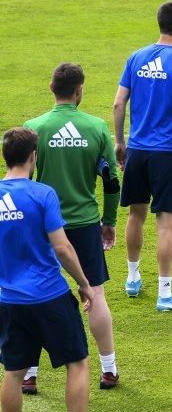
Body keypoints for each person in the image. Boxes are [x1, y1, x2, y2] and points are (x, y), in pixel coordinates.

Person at [23, 63, 121, 392]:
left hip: (42, 225)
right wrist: (108, 221)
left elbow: (24, 181)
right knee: (95, 294)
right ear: (79, 90)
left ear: (52, 87)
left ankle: (28, 373)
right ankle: (109, 369)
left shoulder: (34, 128)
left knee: (33, 293)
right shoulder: (95, 127)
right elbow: (111, 180)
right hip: (83, 224)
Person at [112, 1, 172, 311]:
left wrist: (120, 142)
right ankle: (165, 295)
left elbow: (118, 104)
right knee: (165, 225)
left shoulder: (135, 57)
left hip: (137, 150)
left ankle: (132, 278)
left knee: (135, 215)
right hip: (166, 153)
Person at [0, 127, 94, 412]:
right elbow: (62, 248)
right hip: (48, 296)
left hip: (9, 301)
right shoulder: (43, 194)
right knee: (77, 363)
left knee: (13, 372)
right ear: (33, 157)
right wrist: (84, 282)